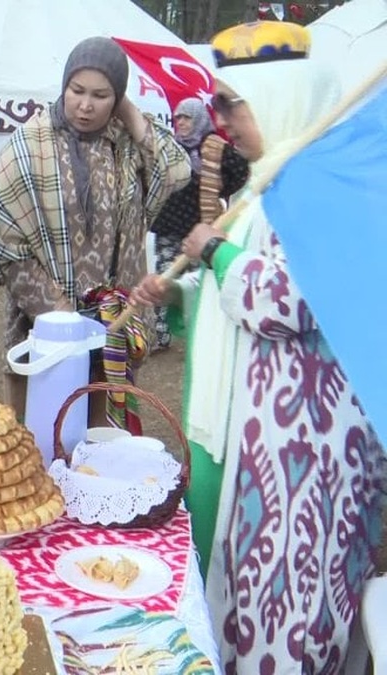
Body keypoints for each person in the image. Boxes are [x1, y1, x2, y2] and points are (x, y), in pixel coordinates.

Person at [131, 21, 384, 675]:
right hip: (274, 439)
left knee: (291, 611)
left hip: (310, 455)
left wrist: (213, 249)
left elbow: (280, 302)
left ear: (277, 98)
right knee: (256, 597)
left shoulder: (325, 191)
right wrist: (184, 286)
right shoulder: (280, 178)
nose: (220, 121)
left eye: (230, 104)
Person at [0, 36, 190, 429]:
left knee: (98, 444)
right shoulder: (30, 144)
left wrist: (131, 114)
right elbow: (5, 241)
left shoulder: (126, 145)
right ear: (63, 86)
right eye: (76, 91)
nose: (85, 105)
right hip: (44, 328)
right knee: (44, 439)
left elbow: (178, 171)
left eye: (101, 95)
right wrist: (64, 321)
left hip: (113, 327)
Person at [148, 98, 249, 349]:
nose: (180, 122)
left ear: (199, 119)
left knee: (202, 285)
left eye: (187, 117)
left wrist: (219, 190)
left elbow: (240, 170)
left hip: (201, 230)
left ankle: (200, 337)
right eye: (178, 117)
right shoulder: (172, 148)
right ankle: (160, 336)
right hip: (169, 228)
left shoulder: (214, 147)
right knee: (164, 281)